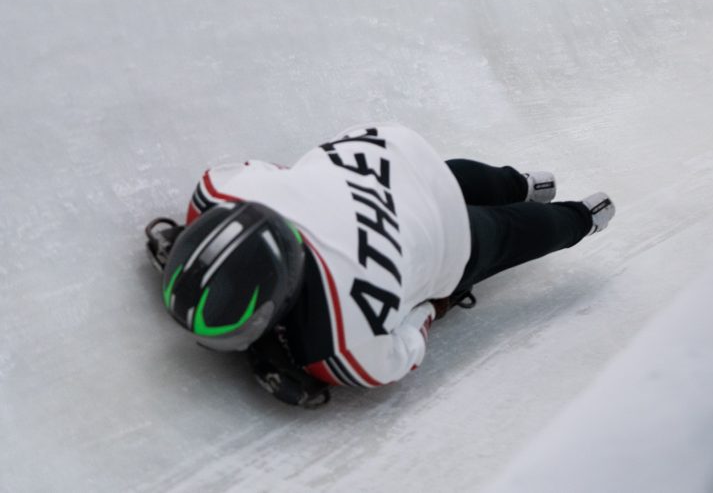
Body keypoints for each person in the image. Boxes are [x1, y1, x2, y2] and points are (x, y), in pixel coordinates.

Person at [145, 123, 615, 407]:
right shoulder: (217, 192)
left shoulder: (343, 349)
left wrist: (430, 305)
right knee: (440, 178)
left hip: (440, 236)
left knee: (503, 233)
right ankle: (521, 182)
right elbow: (268, 171)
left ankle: (579, 218)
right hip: (384, 154)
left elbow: (406, 347)